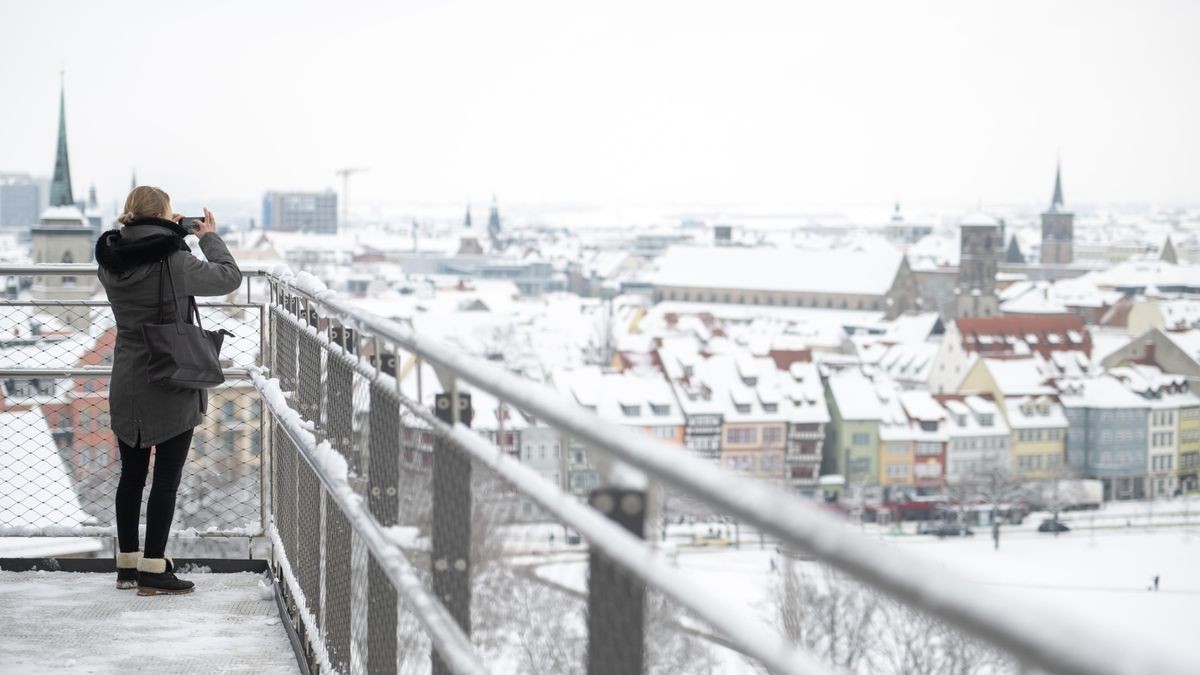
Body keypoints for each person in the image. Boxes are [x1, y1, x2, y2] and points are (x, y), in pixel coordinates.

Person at [95, 186, 242, 596]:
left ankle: (126, 565)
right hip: (171, 378)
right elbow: (229, 277)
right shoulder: (175, 261)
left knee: (132, 475)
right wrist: (205, 236)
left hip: (127, 378)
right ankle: (154, 569)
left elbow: (141, 252)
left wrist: (166, 231)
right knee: (166, 479)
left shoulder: (108, 262)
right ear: (164, 214)